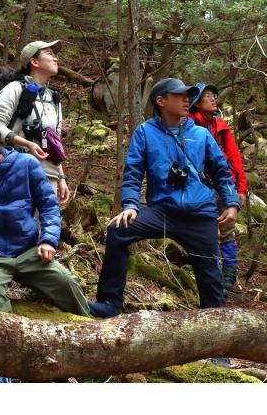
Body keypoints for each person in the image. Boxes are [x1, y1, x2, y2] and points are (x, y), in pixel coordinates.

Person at [88, 78, 241, 319]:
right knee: (118, 230)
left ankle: (216, 349)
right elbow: (133, 173)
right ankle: (109, 303)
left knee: (211, 278)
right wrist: (130, 205)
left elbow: (222, 171)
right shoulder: (145, 132)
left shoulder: (201, 134)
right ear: (161, 101)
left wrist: (232, 203)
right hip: (162, 211)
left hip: (200, 214)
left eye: (188, 95)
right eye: (179, 95)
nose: (186, 99)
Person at [0, 123, 90, 381]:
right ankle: (7, 370)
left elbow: (48, 206)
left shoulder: (27, 165)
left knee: (66, 283)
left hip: (27, 247)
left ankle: (91, 335)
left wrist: (48, 240)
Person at [0, 40, 71, 203]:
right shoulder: (14, 89)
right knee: (16, 225)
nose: (56, 59)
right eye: (49, 54)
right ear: (34, 61)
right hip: (16, 170)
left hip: (48, 176)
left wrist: (61, 177)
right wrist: (27, 144)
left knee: (43, 227)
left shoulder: (54, 98)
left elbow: (55, 141)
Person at [188, 83, 247, 298]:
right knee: (206, 230)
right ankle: (212, 274)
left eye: (214, 96)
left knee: (227, 230)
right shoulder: (188, 126)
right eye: (207, 97)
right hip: (200, 187)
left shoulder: (222, 128)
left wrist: (240, 188)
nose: (213, 99)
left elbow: (234, 158)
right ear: (196, 103)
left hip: (224, 186)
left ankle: (229, 275)